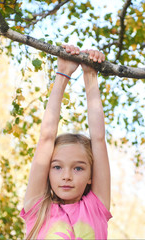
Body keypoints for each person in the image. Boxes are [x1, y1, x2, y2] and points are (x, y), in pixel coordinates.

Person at [20, 44, 111, 239]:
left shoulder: (96, 207)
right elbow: (46, 137)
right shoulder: (37, 208)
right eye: (57, 167)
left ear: (90, 176)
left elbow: (98, 139)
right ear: (47, 172)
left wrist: (90, 75)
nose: (67, 176)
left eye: (78, 168)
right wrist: (62, 73)